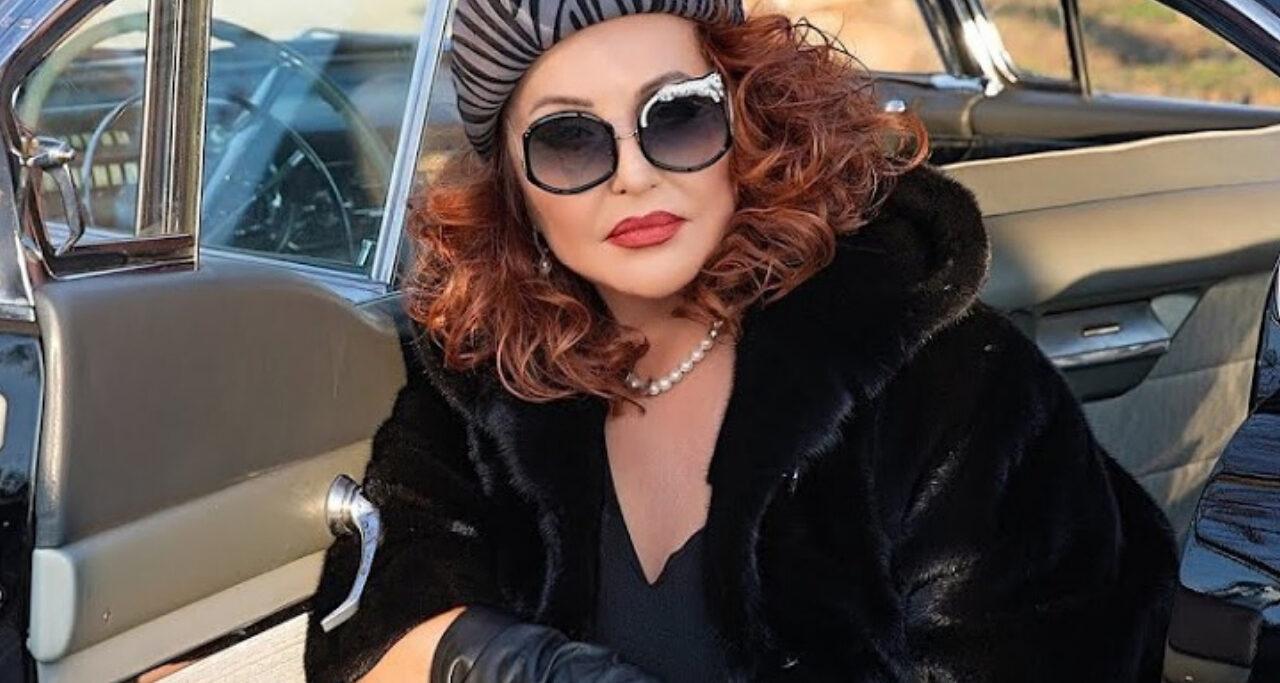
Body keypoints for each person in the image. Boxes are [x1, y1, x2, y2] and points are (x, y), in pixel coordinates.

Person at [304, 0, 1178, 681]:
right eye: (569, 141)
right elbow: (369, 632)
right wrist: (532, 665)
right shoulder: (491, 375)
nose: (634, 173)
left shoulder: (947, 383)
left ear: (748, 120)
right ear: (515, 189)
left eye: (676, 116)